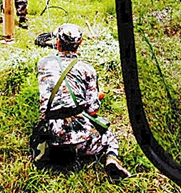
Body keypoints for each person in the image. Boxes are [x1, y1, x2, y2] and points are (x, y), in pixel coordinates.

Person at [37, 23, 130, 179]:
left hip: (50, 137)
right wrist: (98, 96)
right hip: (79, 141)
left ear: (57, 42)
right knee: (108, 133)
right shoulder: (87, 69)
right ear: (79, 43)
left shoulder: (43, 63)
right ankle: (111, 159)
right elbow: (92, 110)